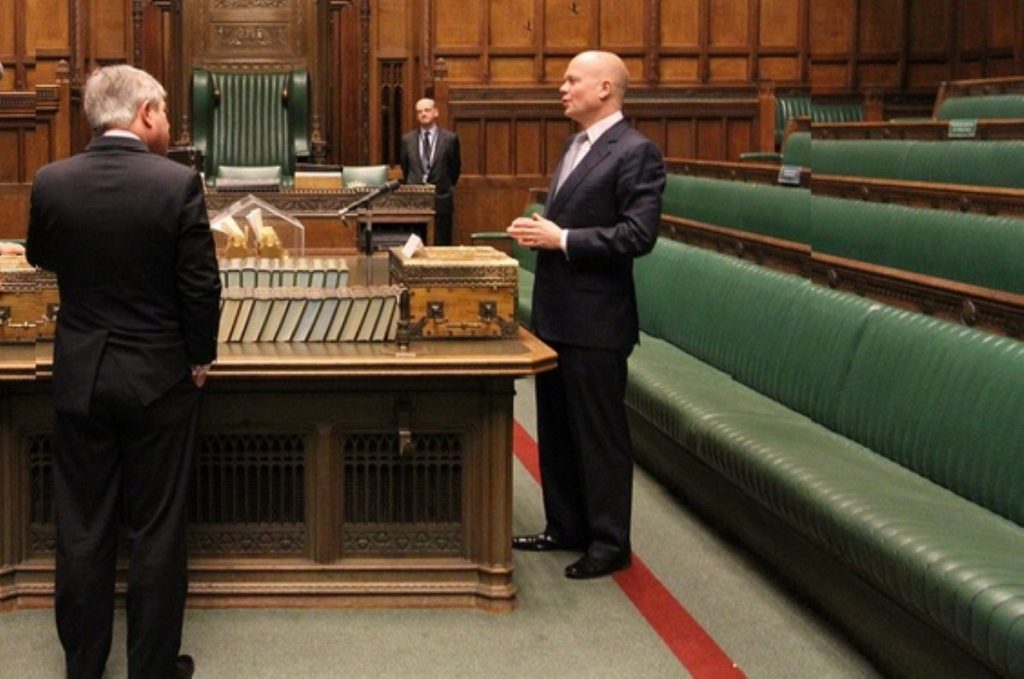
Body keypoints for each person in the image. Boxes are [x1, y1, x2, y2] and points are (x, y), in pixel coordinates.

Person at [26, 64, 220, 679]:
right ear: (142, 114)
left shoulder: (52, 181)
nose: (165, 121)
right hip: (159, 380)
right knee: (157, 531)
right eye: (162, 110)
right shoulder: (177, 185)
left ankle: (83, 666)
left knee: (82, 528)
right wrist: (199, 357)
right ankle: (151, 668)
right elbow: (199, 288)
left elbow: (40, 256)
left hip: (82, 374)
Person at [506, 51, 665, 579]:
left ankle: (609, 542)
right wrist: (541, 231)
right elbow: (568, 220)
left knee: (599, 436)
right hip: (557, 315)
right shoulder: (575, 144)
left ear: (605, 89)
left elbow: (638, 236)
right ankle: (565, 526)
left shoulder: (637, 152)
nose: (562, 87)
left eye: (572, 80)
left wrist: (563, 237)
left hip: (597, 322)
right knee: (557, 428)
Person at [400, 97, 461, 245]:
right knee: (415, 246)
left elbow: (455, 169)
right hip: (414, 200)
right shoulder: (407, 140)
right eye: (419, 111)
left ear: (436, 112)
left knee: (442, 245)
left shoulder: (450, 139)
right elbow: (405, 167)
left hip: (441, 198)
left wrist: (444, 185)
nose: (423, 114)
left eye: (427, 110)